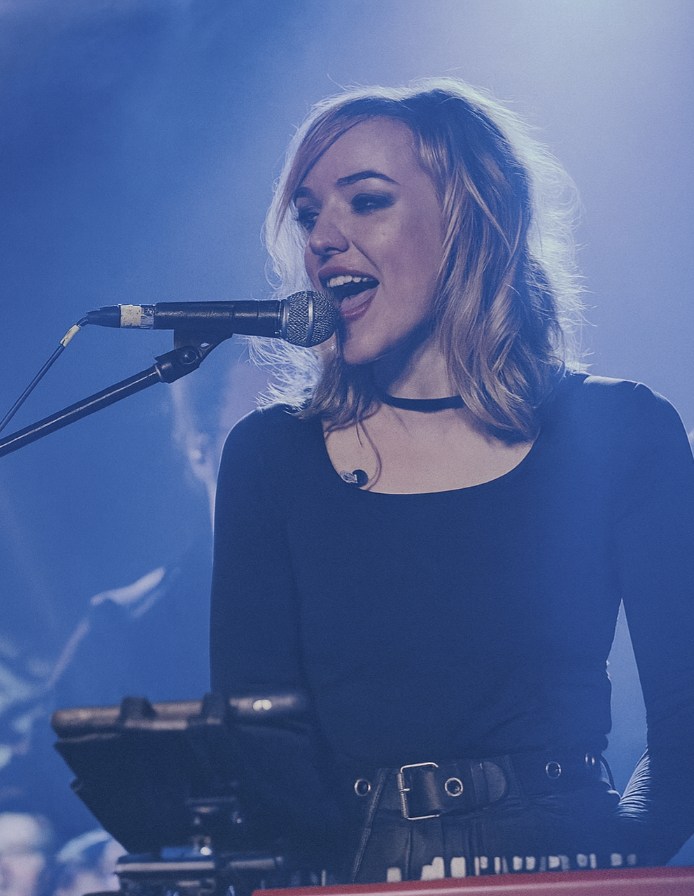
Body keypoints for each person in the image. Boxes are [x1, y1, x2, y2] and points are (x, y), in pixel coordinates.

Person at [210, 79, 694, 882]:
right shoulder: (271, 457)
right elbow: (259, 740)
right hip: (357, 866)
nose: (324, 237)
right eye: (306, 215)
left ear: (472, 218)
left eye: (366, 201)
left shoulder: (621, 431)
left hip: (571, 858)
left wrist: (619, 863)